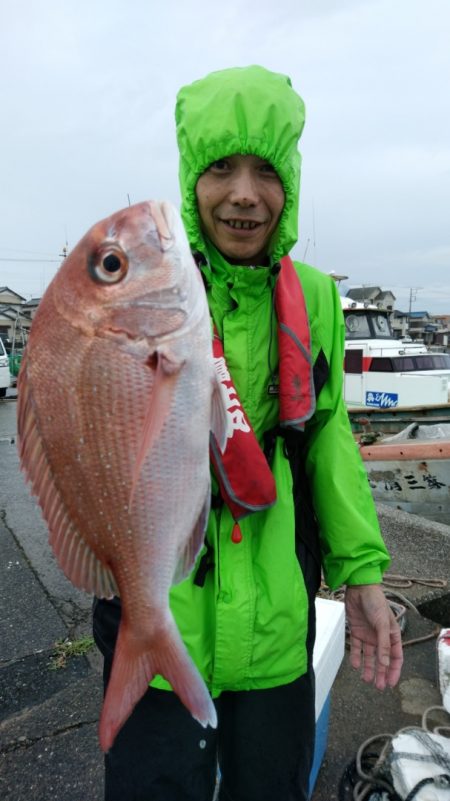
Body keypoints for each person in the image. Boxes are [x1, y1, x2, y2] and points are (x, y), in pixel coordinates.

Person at [93, 65, 403, 801]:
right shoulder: (142, 289)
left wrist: (360, 570)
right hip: (159, 627)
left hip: (274, 629)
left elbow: (327, 434)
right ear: (190, 176)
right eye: (220, 167)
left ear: (290, 179)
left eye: (266, 168)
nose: (243, 192)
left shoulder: (319, 296)